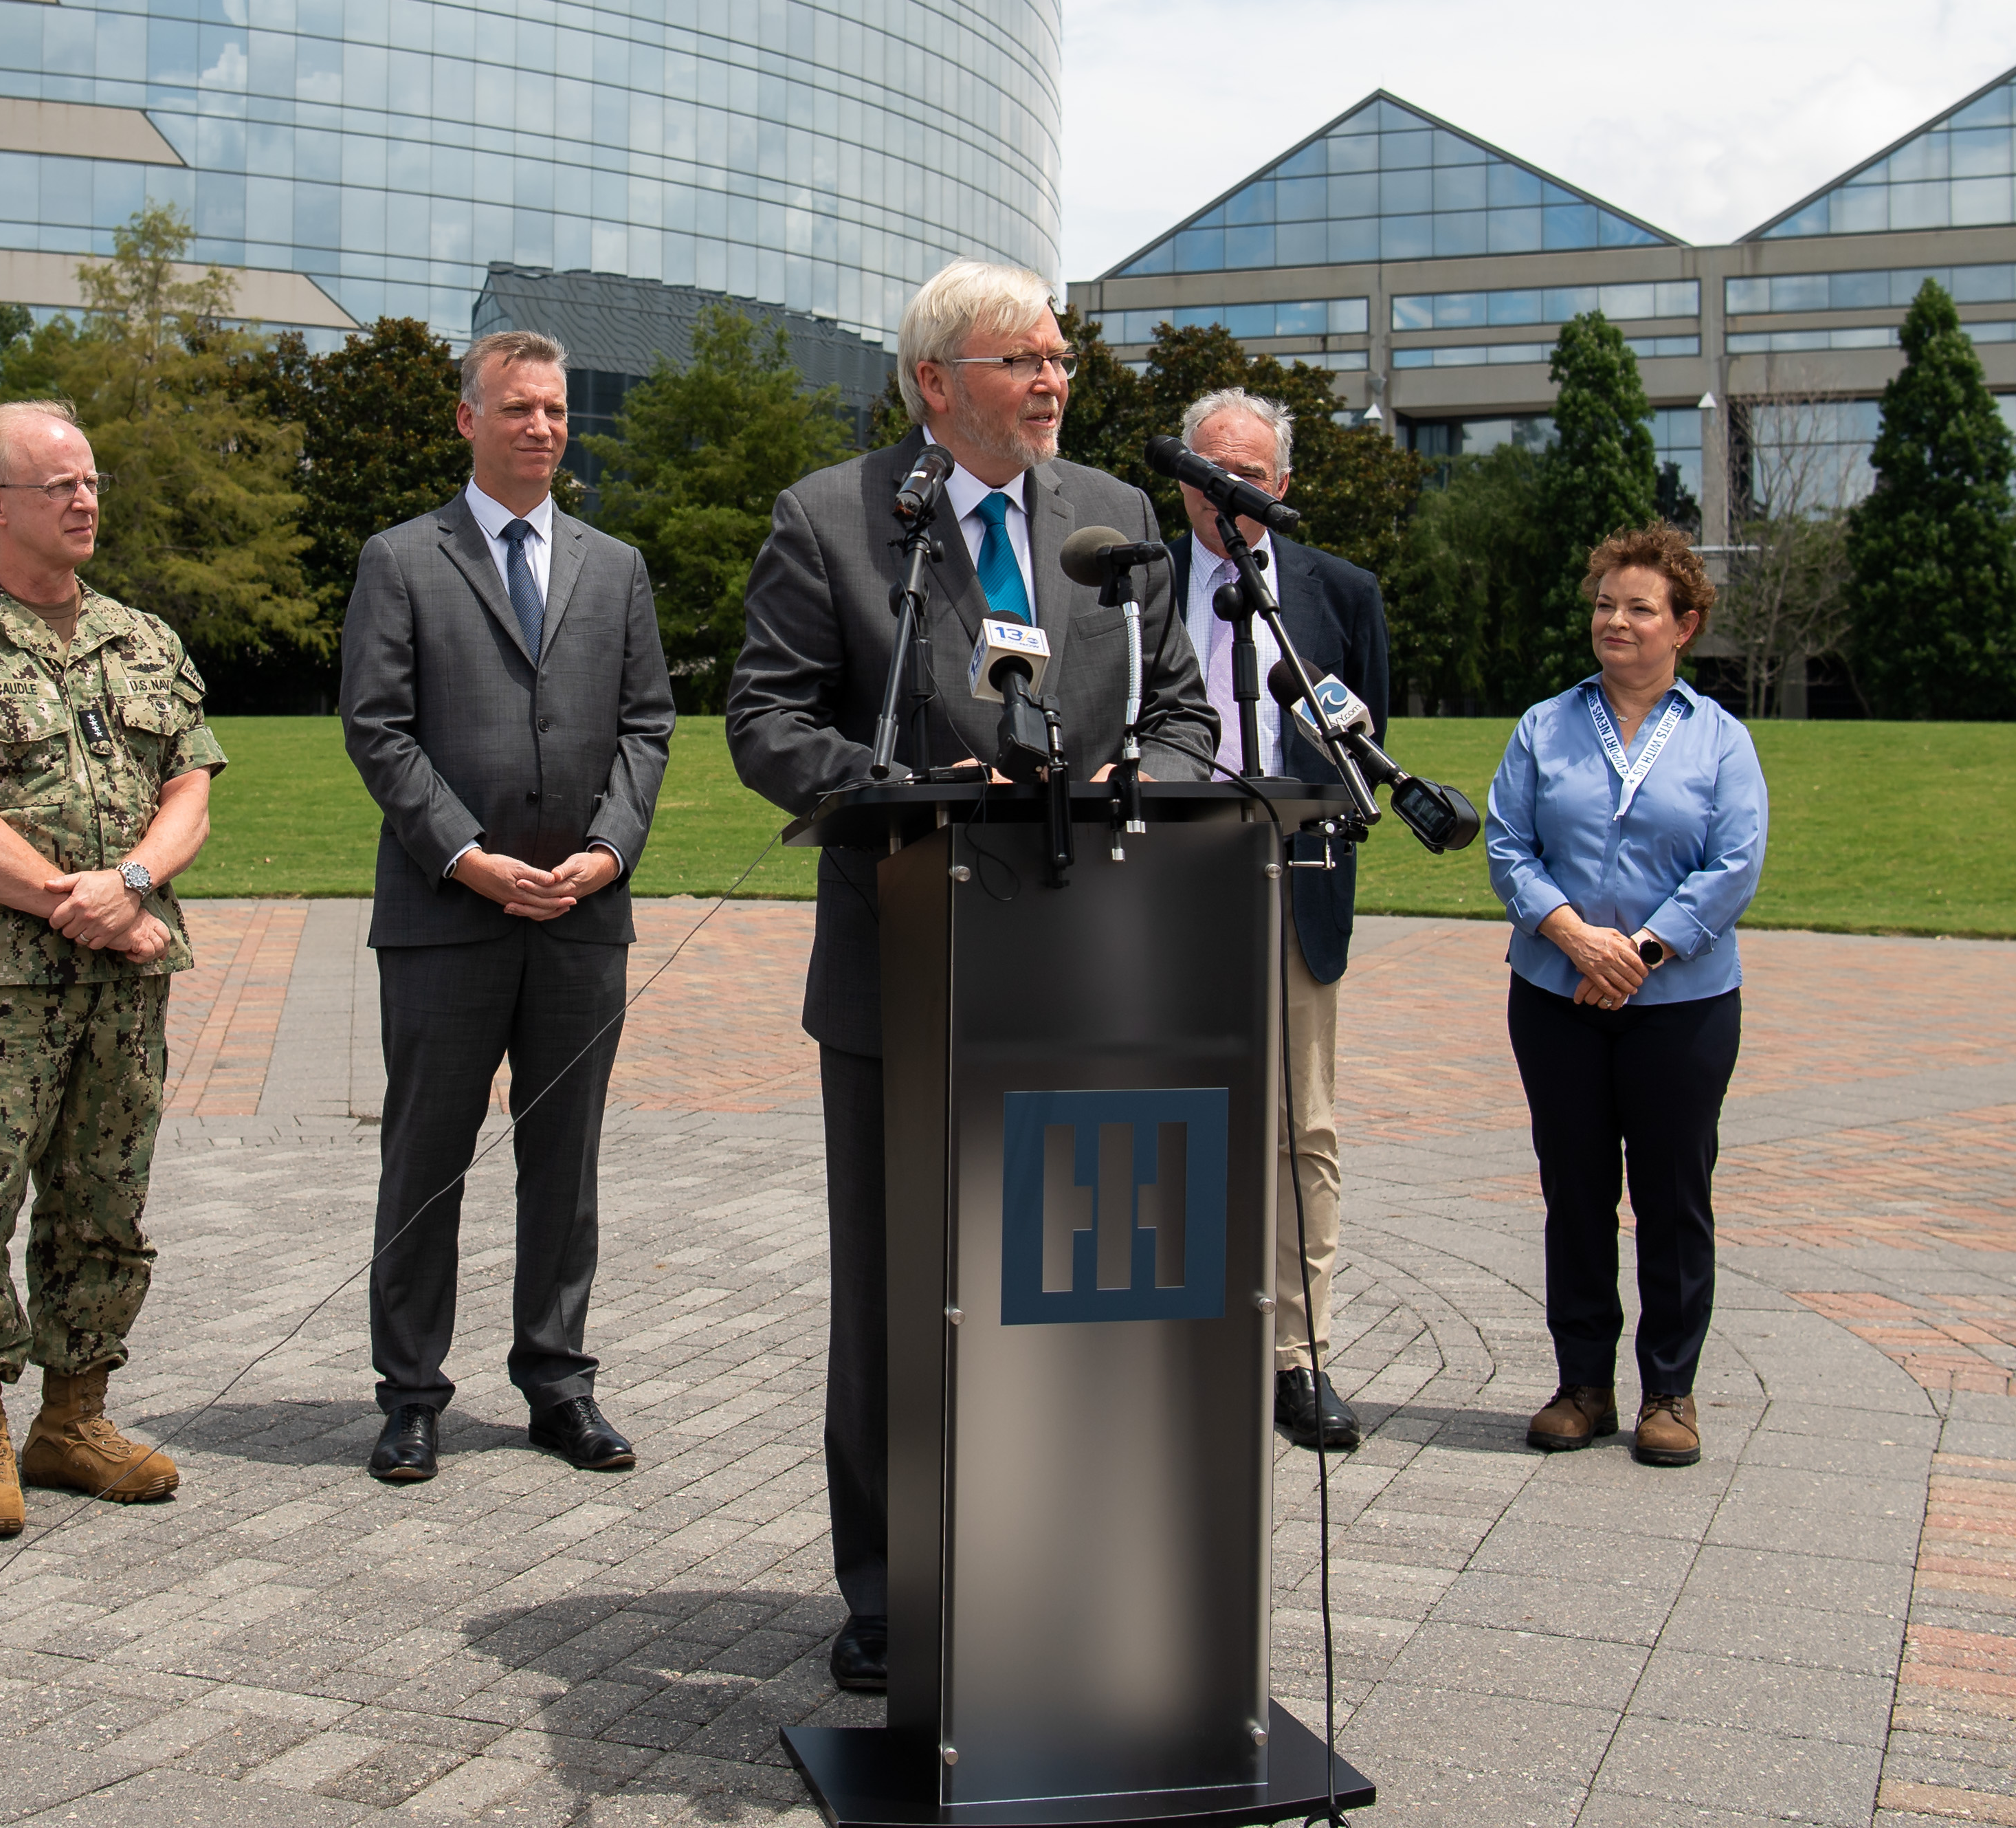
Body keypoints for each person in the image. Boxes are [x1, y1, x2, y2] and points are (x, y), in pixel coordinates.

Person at [729, 259, 1219, 1694]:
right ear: (938, 381)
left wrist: (1152, 780)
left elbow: (1182, 707)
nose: (1056, 382)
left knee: (1064, 1284)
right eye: (1025, 360)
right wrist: (897, 787)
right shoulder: (834, 519)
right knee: (896, 1292)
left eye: (1062, 359)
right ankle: (889, 1587)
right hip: (906, 963)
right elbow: (766, 720)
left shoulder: (1120, 520)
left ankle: (1059, 1557)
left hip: (1097, 969)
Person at [0, 399, 230, 1540]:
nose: (83, 502)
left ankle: (73, 1420)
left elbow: (191, 790)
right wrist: (81, 904)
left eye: (90, 483)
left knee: (105, 1201)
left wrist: (126, 886)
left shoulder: (144, 640)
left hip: (123, 981)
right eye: (57, 487)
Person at [338, 329, 674, 1488]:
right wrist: (466, 857)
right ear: (467, 419)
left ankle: (558, 1382)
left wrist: (609, 851)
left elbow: (647, 725)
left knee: (564, 1163)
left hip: (581, 915)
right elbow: (376, 730)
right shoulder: (400, 559)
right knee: (425, 1158)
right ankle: (410, 1395)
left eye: (556, 411)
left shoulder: (613, 565)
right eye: (519, 408)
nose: (541, 427)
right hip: (448, 913)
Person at [1484, 524, 1766, 1471]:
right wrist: (1569, 934)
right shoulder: (1543, 727)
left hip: (1680, 1006)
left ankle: (1669, 1393)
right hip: (1555, 995)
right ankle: (1581, 1385)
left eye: (1638, 607)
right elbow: (1507, 846)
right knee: (1574, 1192)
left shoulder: (1718, 740)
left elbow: (1733, 864)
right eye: (1604, 603)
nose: (1615, 620)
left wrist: (1639, 950)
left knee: (1672, 1196)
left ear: (1681, 625)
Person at [1162, 387, 1397, 1455]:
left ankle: (1297, 1358)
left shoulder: (1339, 593)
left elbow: (1362, 751)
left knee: (1300, 1127)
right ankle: (1176, 1336)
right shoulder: (1134, 583)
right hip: (1159, 889)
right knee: (1168, 1117)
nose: (1228, 495)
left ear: (1282, 488)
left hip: (1294, 883)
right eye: (1210, 473)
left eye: (1248, 477)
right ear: (1182, 480)